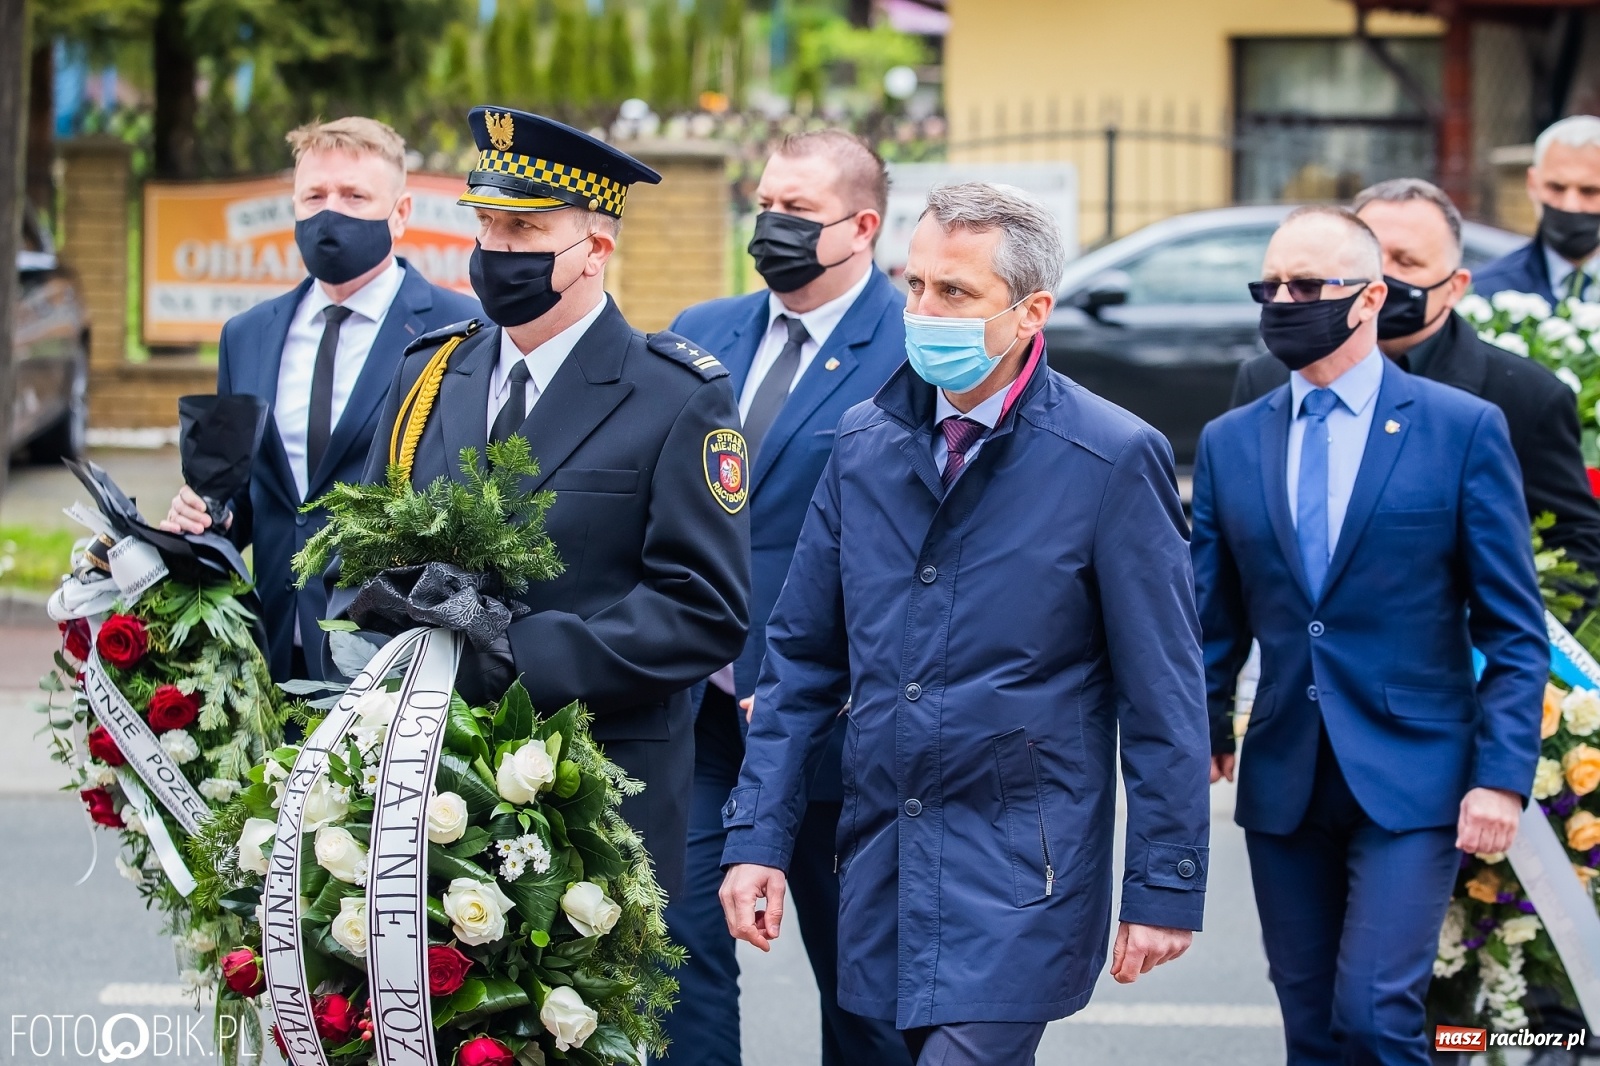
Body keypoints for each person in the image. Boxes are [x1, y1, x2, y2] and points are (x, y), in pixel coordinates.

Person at [719, 183, 1211, 1066]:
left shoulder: (1109, 458)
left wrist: (1165, 884)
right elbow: (798, 665)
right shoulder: (862, 446)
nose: (924, 310)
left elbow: (1165, 695)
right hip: (881, 853)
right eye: (915, 285)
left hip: (1024, 866)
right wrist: (757, 840)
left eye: (956, 294)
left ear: (1032, 313)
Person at [345, 107, 749, 900]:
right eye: (487, 226)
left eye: (523, 234)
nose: (494, 253)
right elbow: (366, 543)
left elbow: (704, 609)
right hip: (431, 775)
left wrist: (520, 653)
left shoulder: (676, 397)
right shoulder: (431, 373)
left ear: (595, 248)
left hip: (593, 786)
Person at [1192, 206, 1548, 1065]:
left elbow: (1514, 628)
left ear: (1369, 297)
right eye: (1269, 286)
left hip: (1413, 772)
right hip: (1285, 775)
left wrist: (1500, 779)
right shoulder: (1231, 441)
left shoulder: (1460, 429)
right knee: (1311, 1028)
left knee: (1376, 1018)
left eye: (1306, 286)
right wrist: (1204, 728)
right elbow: (1212, 617)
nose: (1283, 301)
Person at [662, 131, 909, 1066]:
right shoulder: (699, 331)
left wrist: (839, 672)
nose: (772, 226)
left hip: (836, 723)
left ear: (862, 227)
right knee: (675, 957)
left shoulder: (906, 347)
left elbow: (921, 545)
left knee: (861, 986)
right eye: (764, 204)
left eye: (798, 212)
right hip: (700, 709)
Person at [160, 117, 480, 682]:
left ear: (399, 214)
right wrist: (209, 513)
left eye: (355, 195)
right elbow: (245, 498)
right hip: (272, 648)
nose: (331, 211)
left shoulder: (464, 330)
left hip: (394, 653)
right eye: (315, 195)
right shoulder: (248, 334)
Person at [1231, 178, 1600, 580]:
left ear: (1455, 287)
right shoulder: (1268, 379)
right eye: (1370, 256)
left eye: (1406, 263)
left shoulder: (1525, 397)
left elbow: (1574, 547)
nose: (1384, 278)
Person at [1474, 114, 1600, 304]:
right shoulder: (1485, 295)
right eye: (1556, 188)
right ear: (1533, 184)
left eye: (1589, 191)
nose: (1570, 205)